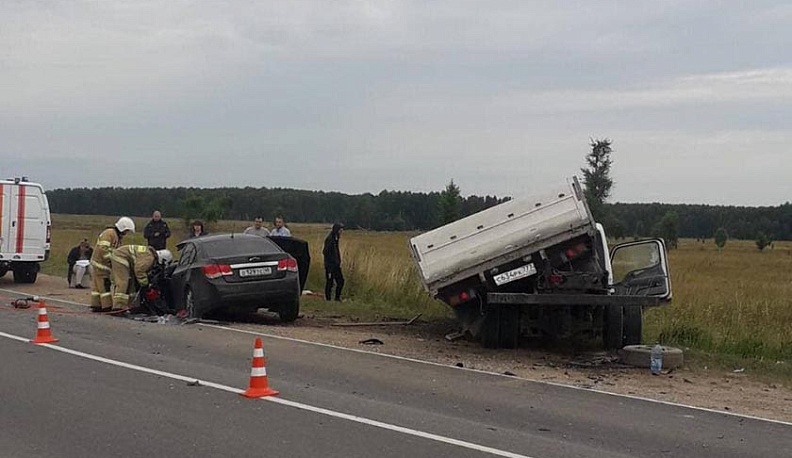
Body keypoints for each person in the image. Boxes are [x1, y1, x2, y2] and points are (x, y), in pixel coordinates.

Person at [90, 217, 135, 312]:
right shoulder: (109, 233)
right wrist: (112, 260)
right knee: (104, 285)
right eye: (126, 231)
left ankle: (97, 304)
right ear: (123, 228)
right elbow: (103, 249)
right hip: (101, 264)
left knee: (97, 286)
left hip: (103, 265)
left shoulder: (116, 236)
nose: (126, 233)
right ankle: (106, 306)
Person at [109, 245, 161, 311]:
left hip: (123, 256)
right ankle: (118, 307)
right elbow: (139, 270)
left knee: (131, 283)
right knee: (123, 281)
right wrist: (145, 284)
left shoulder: (148, 254)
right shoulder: (150, 258)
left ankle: (130, 305)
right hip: (120, 257)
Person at [322, 223, 345, 301]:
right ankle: (328, 298)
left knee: (340, 281)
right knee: (330, 282)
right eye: (340, 229)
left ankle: (337, 298)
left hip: (336, 265)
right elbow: (325, 251)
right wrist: (330, 263)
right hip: (330, 265)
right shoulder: (330, 239)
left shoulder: (336, 238)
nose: (341, 231)